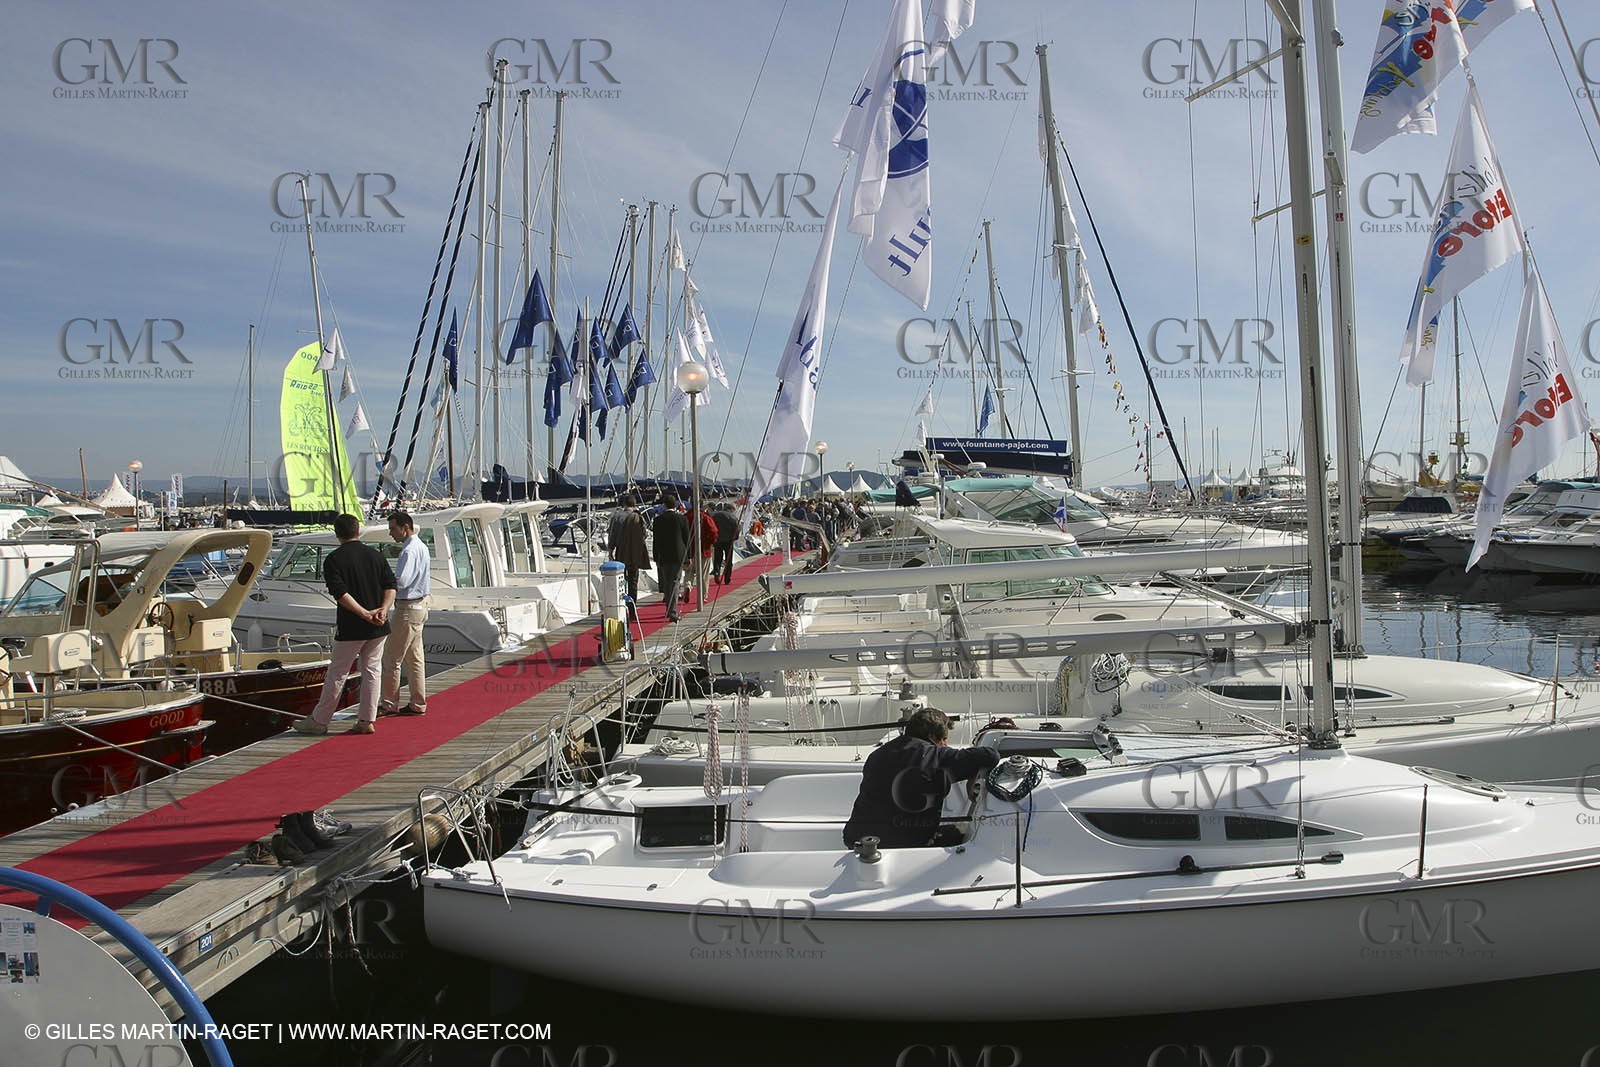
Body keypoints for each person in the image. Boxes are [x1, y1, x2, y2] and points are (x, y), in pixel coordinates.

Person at [294, 513, 395, 736]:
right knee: (372, 670)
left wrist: (363, 613)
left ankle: (320, 721)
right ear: (358, 531)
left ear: (337, 533)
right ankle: (367, 719)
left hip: (352, 625)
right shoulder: (375, 555)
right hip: (379, 623)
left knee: (338, 673)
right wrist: (383, 610)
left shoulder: (333, 560)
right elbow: (390, 585)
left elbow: (340, 593)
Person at [842, 707, 1000, 849]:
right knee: (965, 830)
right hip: (907, 844)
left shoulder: (877, 754)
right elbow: (990, 756)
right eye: (944, 739)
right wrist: (973, 774)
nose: (945, 745)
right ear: (932, 736)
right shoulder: (937, 757)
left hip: (857, 839)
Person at [379, 510, 429, 718]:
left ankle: (389, 702)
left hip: (407, 608)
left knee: (392, 658)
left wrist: (383, 584)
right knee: (415, 657)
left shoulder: (408, 551)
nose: (391, 534)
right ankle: (418, 702)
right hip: (421, 605)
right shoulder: (422, 546)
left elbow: (402, 581)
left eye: (393, 529)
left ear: (404, 527)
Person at [607, 493, 650, 616]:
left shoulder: (617, 516)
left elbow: (612, 534)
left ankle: (622, 607)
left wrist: (610, 551)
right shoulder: (639, 517)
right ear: (634, 504)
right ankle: (632, 608)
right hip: (634, 552)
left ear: (624, 504)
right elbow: (644, 534)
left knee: (621, 580)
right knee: (633, 581)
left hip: (621, 552)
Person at [652, 491, 690, 622]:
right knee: (674, 582)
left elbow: (655, 541)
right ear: (675, 505)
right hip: (678, 555)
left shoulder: (658, 520)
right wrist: (688, 557)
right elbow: (687, 539)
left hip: (663, 555)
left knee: (667, 582)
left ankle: (669, 607)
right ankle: (672, 611)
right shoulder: (682, 519)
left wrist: (656, 557)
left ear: (664, 505)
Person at [711, 504, 738, 584]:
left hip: (718, 540)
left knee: (717, 558)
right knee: (728, 560)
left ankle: (716, 572)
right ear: (730, 509)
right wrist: (735, 538)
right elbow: (736, 528)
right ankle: (727, 579)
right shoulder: (733, 517)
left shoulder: (715, 516)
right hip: (729, 541)